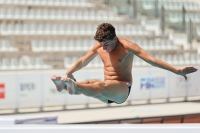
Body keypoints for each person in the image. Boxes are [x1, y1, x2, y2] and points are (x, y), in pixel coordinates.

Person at [51, 23, 198, 104]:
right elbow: (83, 61)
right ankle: (64, 86)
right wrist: (70, 72)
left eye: (106, 44)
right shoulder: (100, 46)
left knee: (98, 85)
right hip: (108, 92)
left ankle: (72, 86)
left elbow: (152, 60)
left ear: (115, 39)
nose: (103, 48)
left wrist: (177, 71)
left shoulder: (127, 47)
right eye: (101, 44)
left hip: (122, 89)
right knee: (91, 82)